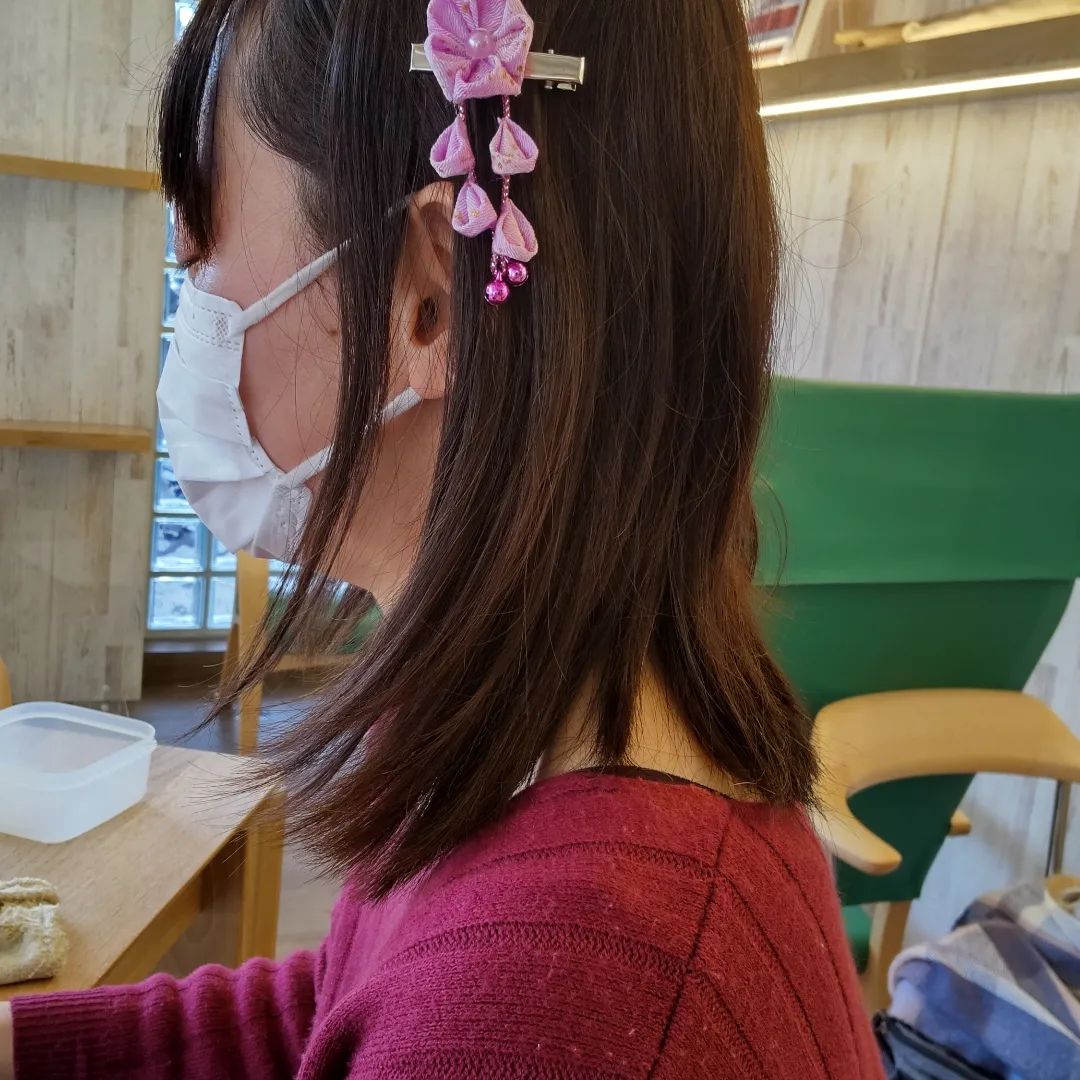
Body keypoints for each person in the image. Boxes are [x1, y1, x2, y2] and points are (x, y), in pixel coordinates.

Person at [0, 0, 883, 1075]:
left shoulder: (571, 990)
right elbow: (348, 1004)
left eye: (202, 255)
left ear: (430, 299)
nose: (193, 307)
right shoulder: (529, 728)